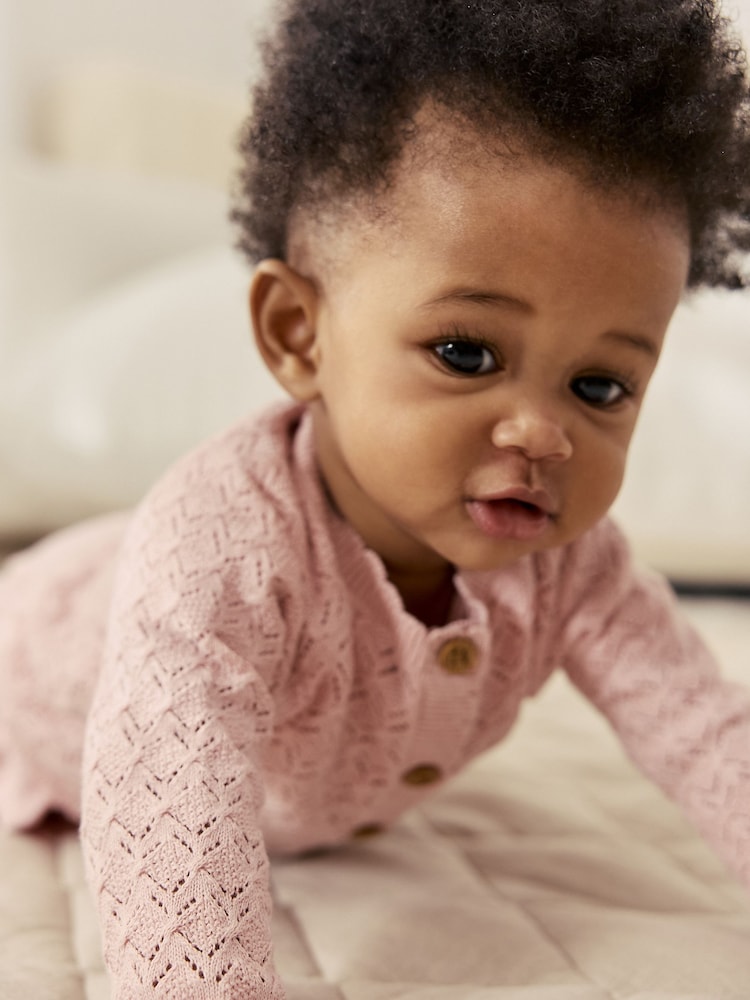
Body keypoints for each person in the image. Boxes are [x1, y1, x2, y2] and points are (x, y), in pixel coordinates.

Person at [1, 0, 750, 996]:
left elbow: (703, 728)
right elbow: (164, 800)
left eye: (600, 385)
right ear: (299, 334)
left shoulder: (572, 564)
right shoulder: (222, 552)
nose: (542, 430)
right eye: (466, 352)